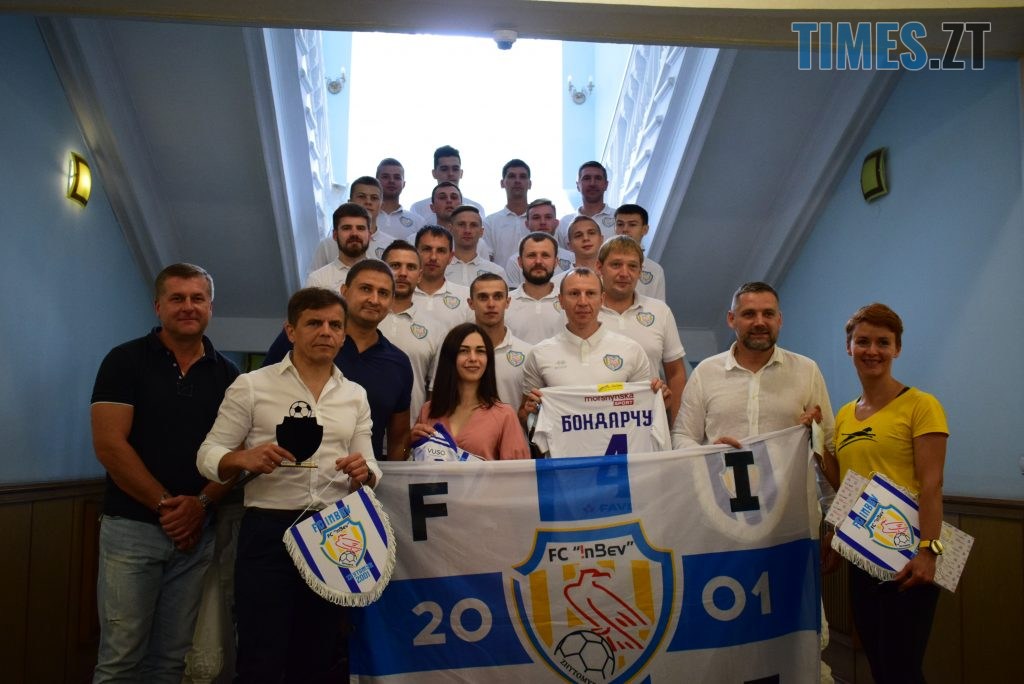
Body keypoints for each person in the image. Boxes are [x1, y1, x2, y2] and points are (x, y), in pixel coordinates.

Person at [198, 287, 381, 682]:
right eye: (314, 323)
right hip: (268, 530)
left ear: (344, 335)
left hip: (332, 531)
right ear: (291, 331)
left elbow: (369, 464)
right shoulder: (251, 385)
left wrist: (364, 471)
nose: (326, 332)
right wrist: (242, 459)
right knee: (260, 657)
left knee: (316, 655)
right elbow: (208, 454)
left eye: (335, 325)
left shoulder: (355, 395)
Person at [670, 281, 835, 684]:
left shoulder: (806, 370)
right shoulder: (706, 372)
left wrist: (832, 521)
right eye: (749, 314)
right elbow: (681, 437)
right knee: (729, 614)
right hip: (723, 521)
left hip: (791, 522)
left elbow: (827, 448)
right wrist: (709, 454)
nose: (759, 322)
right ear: (732, 320)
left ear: (780, 320)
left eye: (767, 314)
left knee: (797, 616)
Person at [91, 263, 239, 683]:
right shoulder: (124, 361)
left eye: (198, 298)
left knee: (171, 662)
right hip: (131, 530)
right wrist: (169, 508)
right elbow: (109, 445)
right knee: (121, 660)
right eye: (177, 298)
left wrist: (200, 505)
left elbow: (235, 457)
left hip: (196, 534)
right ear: (158, 306)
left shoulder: (230, 375)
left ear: (211, 307)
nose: (188, 306)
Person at [822, 303, 948, 684]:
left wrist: (928, 551)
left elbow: (932, 485)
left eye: (883, 342)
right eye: (863, 341)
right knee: (879, 665)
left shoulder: (922, 406)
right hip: (862, 555)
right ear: (849, 347)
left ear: (897, 348)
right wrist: (836, 535)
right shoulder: (845, 414)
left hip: (909, 557)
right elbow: (846, 484)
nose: (872, 350)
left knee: (901, 670)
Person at [264, 261, 414, 461]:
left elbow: (399, 439)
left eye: (383, 293)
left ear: (392, 300)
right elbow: (262, 393)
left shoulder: (399, 364)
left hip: (362, 474)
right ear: (344, 291)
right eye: (365, 289)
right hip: (290, 469)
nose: (374, 299)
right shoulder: (304, 340)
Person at [597, 235, 687, 423]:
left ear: (640, 271)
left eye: (632, 266)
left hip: (649, 421)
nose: (624, 273)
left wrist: (677, 429)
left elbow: (676, 373)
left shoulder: (660, 311)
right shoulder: (584, 311)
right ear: (599, 267)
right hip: (595, 421)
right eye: (616, 265)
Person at [411, 323, 530, 460]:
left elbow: (518, 471)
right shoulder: (428, 411)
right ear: (450, 357)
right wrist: (409, 443)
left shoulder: (505, 415)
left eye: (480, 351)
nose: (473, 358)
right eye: (464, 351)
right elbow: (415, 463)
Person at [381, 240, 443, 432]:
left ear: (420, 275)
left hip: (411, 433)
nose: (402, 273)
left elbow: (434, 391)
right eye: (395, 266)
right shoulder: (362, 321)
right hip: (359, 434)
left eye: (411, 267)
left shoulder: (435, 329)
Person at [468, 273, 530, 409]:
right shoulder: (455, 350)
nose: (491, 304)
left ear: (507, 302)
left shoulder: (528, 353)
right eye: (483, 297)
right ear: (471, 303)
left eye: (497, 297)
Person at [309, 179, 396, 271]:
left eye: (374, 198)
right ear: (349, 201)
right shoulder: (327, 245)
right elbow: (314, 277)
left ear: (381, 204)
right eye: (361, 196)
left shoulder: (392, 245)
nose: (368, 202)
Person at [505, 232, 566, 344]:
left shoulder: (568, 302)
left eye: (545, 255)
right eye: (531, 255)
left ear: (556, 262)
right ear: (520, 262)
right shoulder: (504, 303)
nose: (538, 261)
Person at [413, 225, 473, 333]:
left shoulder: (467, 296)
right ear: (415, 253)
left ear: (450, 257)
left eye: (441, 251)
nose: (433, 257)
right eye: (427, 249)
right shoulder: (399, 294)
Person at [504, 199, 574, 288]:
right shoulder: (514, 262)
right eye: (536, 218)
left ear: (556, 223)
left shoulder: (571, 258)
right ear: (527, 224)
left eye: (548, 217)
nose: (542, 222)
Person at [409, 144, 487, 222]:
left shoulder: (477, 209)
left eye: (455, 169)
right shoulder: (418, 209)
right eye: (444, 169)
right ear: (434, 173)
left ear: (461, 173)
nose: (450, 173)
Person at [306, 202, 371, 291]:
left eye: (360, 228)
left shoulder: (384, 274)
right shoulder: (318, 281)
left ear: (369, 235)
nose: (354, 234)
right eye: (346, 228)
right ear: (335, 235)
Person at [555, 161, 616, 249]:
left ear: (606, 185)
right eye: (587, 178)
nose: (592, 183)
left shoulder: (618, 218)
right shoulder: (564, 223)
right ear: (577, 185)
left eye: (598, 178)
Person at [614, 203, 666, 300]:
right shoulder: (602, 263)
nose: (625, 229)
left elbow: (659, 306)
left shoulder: (655, 270)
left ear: (645, 229)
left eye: (632, 225)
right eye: (620, 224)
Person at [486, 159, 532, 269]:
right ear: (502, 183)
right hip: (501, 280)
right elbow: (487, 261)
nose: (517, 181)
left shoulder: (541, 220)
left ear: (530, 184)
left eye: (522, 176)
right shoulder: (490, 222)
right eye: (512, 176)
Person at [445, 205, 507, 286]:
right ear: (450, 228)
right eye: (461, 224)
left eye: (473, 225)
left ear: (482, 231)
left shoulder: (496, 272)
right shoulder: (439, 269)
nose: (467, 230)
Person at [376, 158, 426, 238]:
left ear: (404, 184)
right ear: (376, 182)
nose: (391, 181)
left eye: (397, 177)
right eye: (385, 177)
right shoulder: (364, 218)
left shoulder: (418, 222)